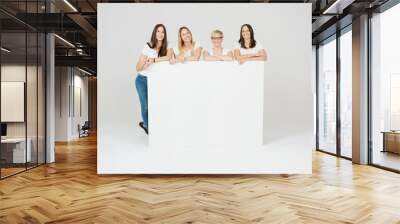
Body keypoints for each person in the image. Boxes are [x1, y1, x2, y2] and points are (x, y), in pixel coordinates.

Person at [135, 24, 172, 134]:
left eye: (162, 32)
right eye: (158, 31)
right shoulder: (148, 46)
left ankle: (156, 126)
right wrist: (144, 64)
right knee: (146, 105)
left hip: (157, 81)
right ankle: (147, 126)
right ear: (154, 33)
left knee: (158, 105)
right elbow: (137, 67)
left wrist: (153, 60)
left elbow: (169, 57)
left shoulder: (168, 45)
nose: (160, 34)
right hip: (142, 79)